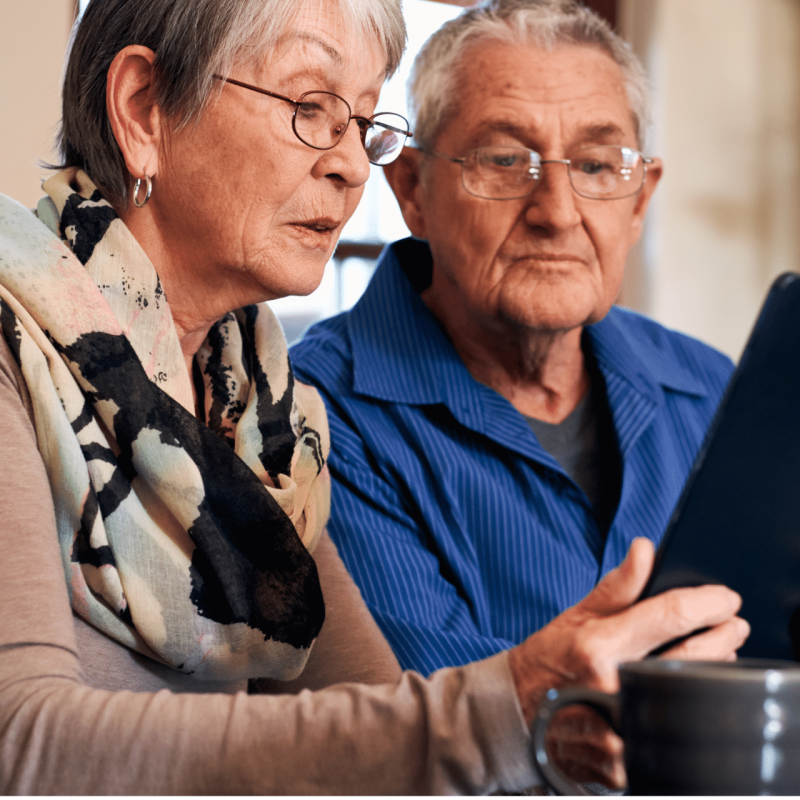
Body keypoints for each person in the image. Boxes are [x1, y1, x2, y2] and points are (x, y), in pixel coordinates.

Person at [0, 0, 746, 794]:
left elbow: (378, 734)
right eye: (311, 109)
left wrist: (539, 724)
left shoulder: (262, 412)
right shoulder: (13, 350)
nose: (352, 165)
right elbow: (20, 747)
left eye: (360, 122)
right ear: (144, 108)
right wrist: (515, 703)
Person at [292, 0, 740, 746]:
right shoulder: (314, 412)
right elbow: (429, 738)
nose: (558, 211)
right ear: (411, 192)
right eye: (505, 160)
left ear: (640, 201)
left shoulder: (710, 388)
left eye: (597, 166)